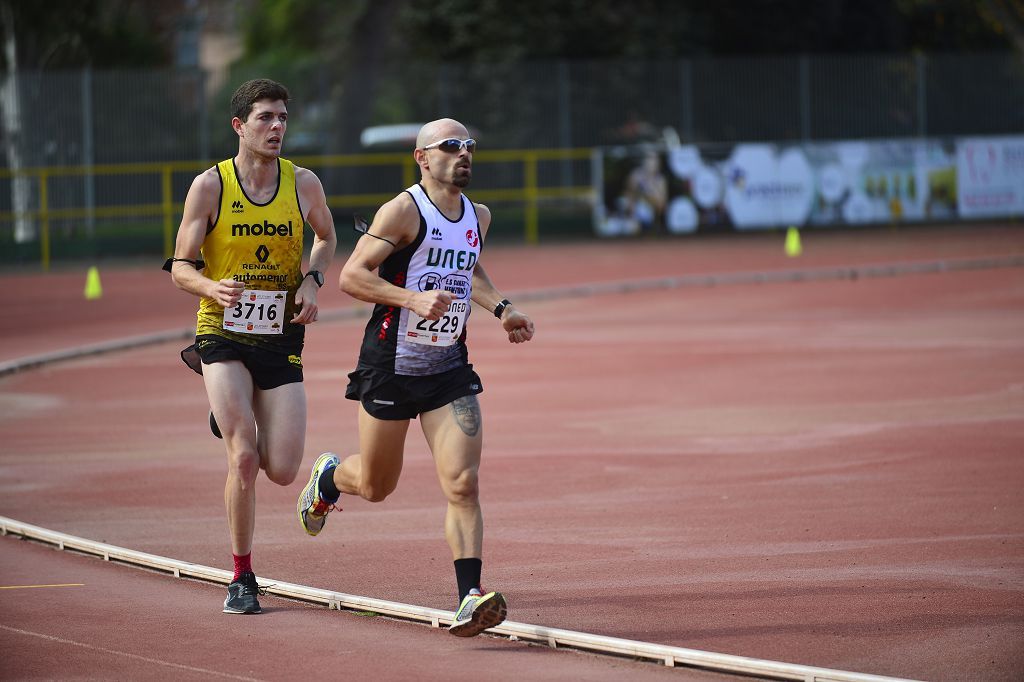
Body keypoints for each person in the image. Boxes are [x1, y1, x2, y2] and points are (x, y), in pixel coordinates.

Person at [296, 118, 534, 638]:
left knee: (464, 483)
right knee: (378, 486)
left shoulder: (479, 215)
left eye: (470, 145)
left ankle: (469, 597)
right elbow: (353, 276)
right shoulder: (404, 210)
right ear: (423, 158)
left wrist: (503, 308)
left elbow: (469, 271)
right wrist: (412, 299)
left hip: (448, 369)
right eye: (452, 146)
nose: (464, 154)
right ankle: (331, 478)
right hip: (390, 366)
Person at [165, 78, 337, 614]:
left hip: (279, 334)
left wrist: (312, 280)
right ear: (240, 125)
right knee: (243, 455)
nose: (277, 127)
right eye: (265, 118)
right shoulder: (210, 186)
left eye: (283, 117)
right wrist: (210, 285)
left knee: (282, 468)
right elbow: (180, 265)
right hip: (221, 329)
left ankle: (241, 418)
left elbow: (327, 237)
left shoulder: (302, 183)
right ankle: (242, 576)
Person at [620, 149, 668, 233]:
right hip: (633, 215)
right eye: (648, 159)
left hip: (651, 218)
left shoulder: (660, 180)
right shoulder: (635, 175)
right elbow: (627, 194)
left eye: (654, 159)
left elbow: (662, 206)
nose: (651, 163)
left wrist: (648, 196)